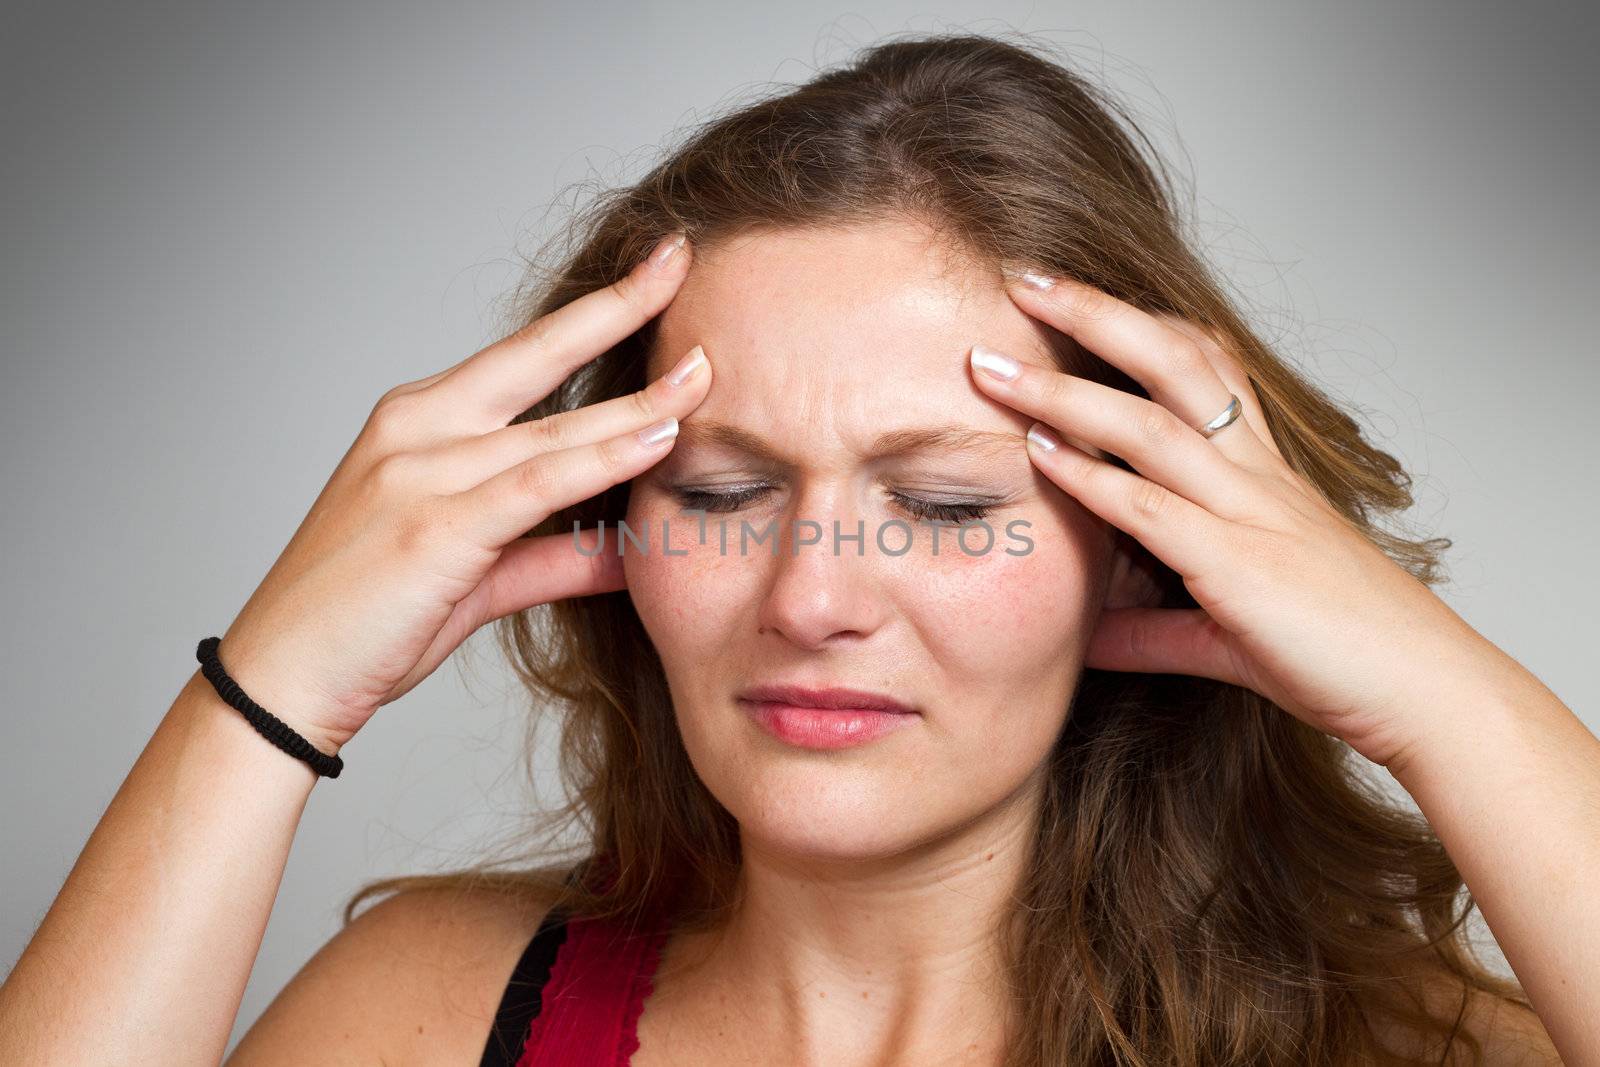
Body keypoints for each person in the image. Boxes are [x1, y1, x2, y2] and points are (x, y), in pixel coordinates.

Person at [0, 31, 1589, 1067]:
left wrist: (1434, 689)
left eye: (951, 509)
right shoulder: (428, 1017)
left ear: (1144, 545)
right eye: (717, 493)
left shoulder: (1407, 1049)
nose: (812, 599)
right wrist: (274, 687)